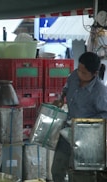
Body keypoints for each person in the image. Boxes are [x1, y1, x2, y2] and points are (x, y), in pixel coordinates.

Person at [51, 51, 107, 182]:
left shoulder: (100, 92)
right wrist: (61, 98)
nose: (79, 74)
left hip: (86, 139)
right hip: (67, 132)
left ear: (94, 73)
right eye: (79, 69)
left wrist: (85, 124)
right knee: (57, 170)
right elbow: (66, 88)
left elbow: (105, 115)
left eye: (84, 73)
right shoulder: (73, 76)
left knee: (78, 176)